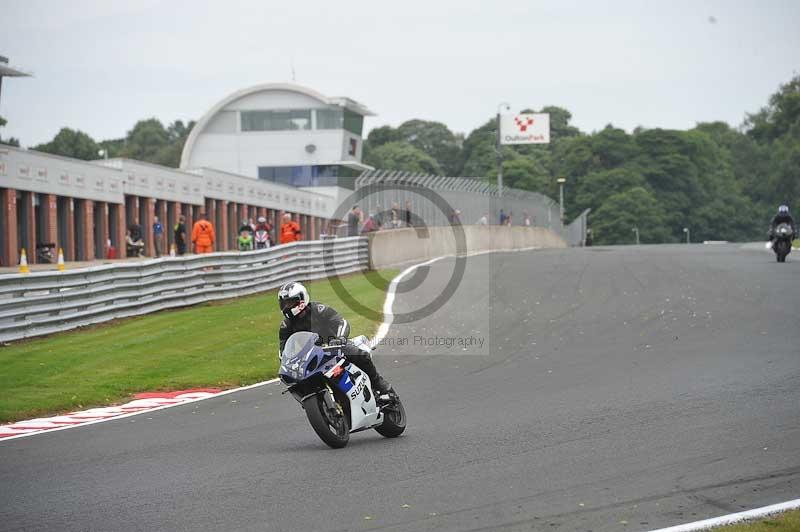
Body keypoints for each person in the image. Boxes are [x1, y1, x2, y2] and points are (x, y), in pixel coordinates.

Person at [277, 281, 392, 394]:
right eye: (284, 304)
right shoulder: (286, 326)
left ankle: (377, 382)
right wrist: (286, 364)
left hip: (334, 346)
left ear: (301, 299)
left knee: (359, 354)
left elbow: (341, 322)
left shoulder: (318, 309)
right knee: (297, 385)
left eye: (290, 303)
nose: (287, 307)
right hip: (312, 357)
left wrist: (340, 338)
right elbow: (284, 351)